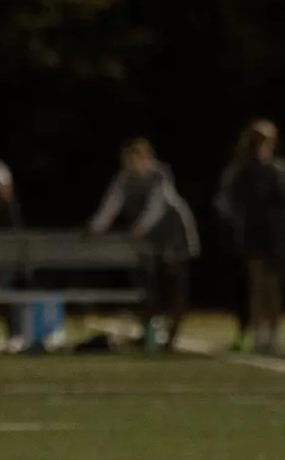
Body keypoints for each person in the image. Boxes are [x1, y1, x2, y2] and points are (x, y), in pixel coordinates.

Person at [87, 138, 200, 351]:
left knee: (174, 283)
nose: (130, 164)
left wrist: (141, 227)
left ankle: (172, 333)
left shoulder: (159, 176)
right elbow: (111, 205)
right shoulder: (123, 180)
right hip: (151, 238)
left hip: (173, 232)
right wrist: (95, 228)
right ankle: (149, 330)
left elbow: (156, 207)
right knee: (150, 283)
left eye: (135, 158)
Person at [215, 121, 285, 353]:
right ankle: (258, 334)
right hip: (253, 233)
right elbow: (225, 201)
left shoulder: (275, 169)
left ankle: (271, 335)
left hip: (274, 234)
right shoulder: (241, 170)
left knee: (272, 287)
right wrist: (238, 220)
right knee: (257, 285)